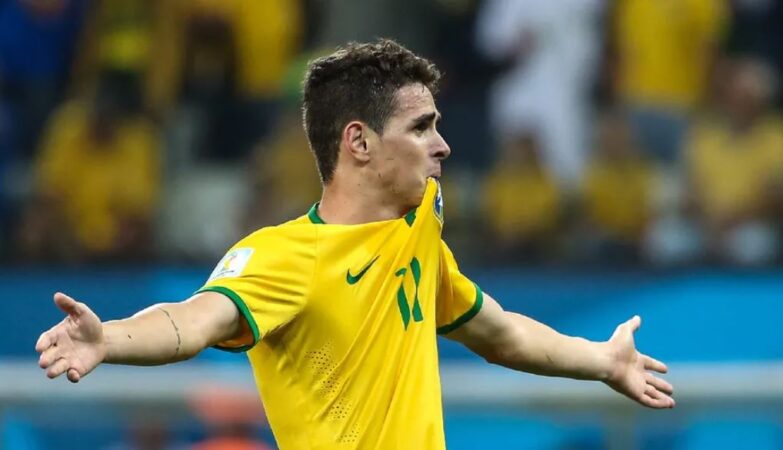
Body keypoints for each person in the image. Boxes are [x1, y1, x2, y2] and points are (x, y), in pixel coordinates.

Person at [35, 40, 675, 450]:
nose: (443, 145)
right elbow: (193, 320)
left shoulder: (418, 231)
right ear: (359, 142)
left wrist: (601, 360)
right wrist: (109, 338)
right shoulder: (284, 256)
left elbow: (499, 331)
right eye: (421, 128)